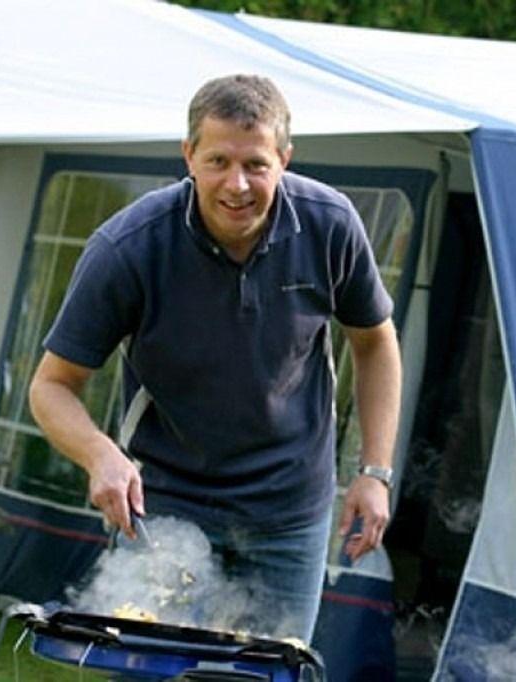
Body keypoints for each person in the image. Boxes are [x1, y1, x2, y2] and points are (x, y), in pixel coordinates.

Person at [28, 74, 401, 642]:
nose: (237, 184)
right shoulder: (128, 247)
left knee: (263, 673)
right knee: (146, 667)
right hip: (163, 504)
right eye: (218, 161)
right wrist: (100, 455)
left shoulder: (330, 225)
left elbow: (375, 341)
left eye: (256, 164)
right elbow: (51, 385)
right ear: (189, 156)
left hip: (290, 513)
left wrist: (374, 473)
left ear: (285, 159)